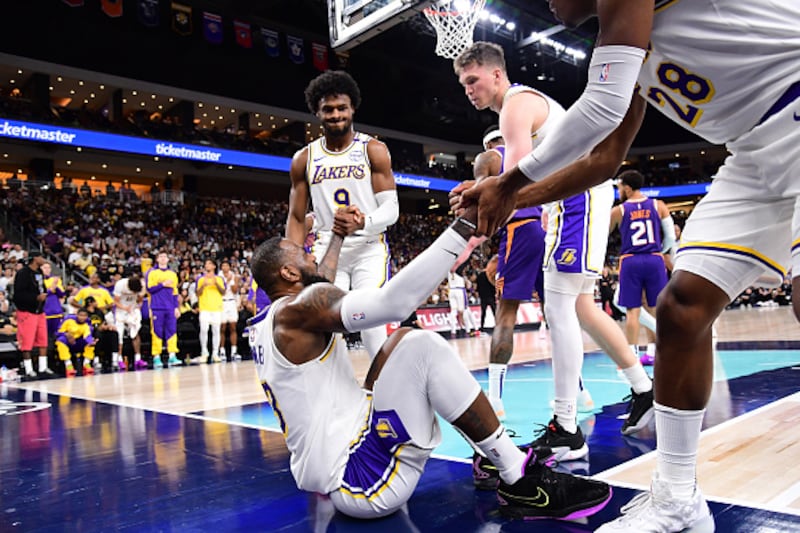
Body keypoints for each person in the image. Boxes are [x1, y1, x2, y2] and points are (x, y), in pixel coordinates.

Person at [456, 2, 800, 531]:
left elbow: (596, 109)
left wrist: (509, 183)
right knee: (682, 309)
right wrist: (511, 196)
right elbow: (602, 159)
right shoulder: (625, 43)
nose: (547, 3)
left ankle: (579, 421)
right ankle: (678, 499)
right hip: (753, 152)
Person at [248, 204, 612, 522]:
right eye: (301, 252)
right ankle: (518, 477)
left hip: (342, 459)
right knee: (422, 345)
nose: (311, 251)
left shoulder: (271, 322)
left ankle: (492, 459)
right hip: (362, 481)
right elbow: (394, 303)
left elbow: (320, 281)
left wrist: (339, 237)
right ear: (289, 274)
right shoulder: (299, 310)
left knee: (399, 342)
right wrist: (464, 227)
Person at [455, 45, 652, 447]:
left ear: (496, 75)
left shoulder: (515, 105)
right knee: (580, 307)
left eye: (473, 80)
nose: (468, 91)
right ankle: (643, 388)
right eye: (463, 84)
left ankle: (565, 425)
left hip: (576, 198)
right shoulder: (523, 103)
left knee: (560, 308)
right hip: (576, 198)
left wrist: (480, 192)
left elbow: (518, 177)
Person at [454, 47, 548, 420]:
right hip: (549, 223)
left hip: (520, 230)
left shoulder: (489, 159)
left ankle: (495, 398)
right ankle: (576, 394)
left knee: (505, 316)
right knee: (561, 315)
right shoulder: (532, 124)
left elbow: (485, 205)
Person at [285, 70, 399, 360]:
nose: (336, 115)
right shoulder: (304, 158)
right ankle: (337, 390)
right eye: (328, 109)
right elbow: (297, 218)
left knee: (371, 316)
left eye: (341, 108)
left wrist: (364, 221)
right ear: (317, 112)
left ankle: (382, 384)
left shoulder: (373, 149)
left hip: (367, 248)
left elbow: (391, 209)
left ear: (353, 109)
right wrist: (294, 258)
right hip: (327, 248)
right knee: (325, 318)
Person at [609, 170, 674, 362]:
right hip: (654, 258)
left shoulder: (619, 210)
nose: (619, 191)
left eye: (620, 187)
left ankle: (631, 357)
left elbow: (602, 237)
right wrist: (660, 250)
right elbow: (670, 236)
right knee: (654, 307)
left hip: (631, 260)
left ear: (627, 188)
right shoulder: (658, 205)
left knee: (632, 310)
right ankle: (655, 353)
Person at [12, 251, 54, 378]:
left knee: (43, 340)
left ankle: (43, 367)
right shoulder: (23, 273)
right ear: (35, 259)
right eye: (41, 257)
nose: (43, 259)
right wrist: (35, 298)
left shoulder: (39, 272)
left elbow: (41, 288)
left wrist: (44, 296)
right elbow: (18, 295)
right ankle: (28, 368)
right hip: (27, 312)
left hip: (40, 311)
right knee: (26, 342)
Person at [145, 250, 180, 370]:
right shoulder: (152, 273)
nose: (163, 258)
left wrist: (176, 307)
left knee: (172, 331)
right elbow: (150, 289)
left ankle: (172, 355)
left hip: (170, 307)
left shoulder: (172, 274)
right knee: (156, 331)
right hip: (157, 307)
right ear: (157, 259)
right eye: (161, 256)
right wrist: (163, 284)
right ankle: (156, 356)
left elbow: (175, 292)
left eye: (165, 256)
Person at [194, 259, 225, 364]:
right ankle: (204, 352)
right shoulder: (200, 279)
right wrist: (203, 285)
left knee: (216, 331)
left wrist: (217, 284)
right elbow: (197, 293)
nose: (207, 265)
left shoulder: (219, 278)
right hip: (204, 308)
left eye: (209, 263)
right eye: (206, 263)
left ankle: (215, 353)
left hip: (216, 307)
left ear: (214, 266)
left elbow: (223, 292)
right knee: (204, 330)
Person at [113, 274, 144, 371]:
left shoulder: (140, 285)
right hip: (121, 309)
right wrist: (125, 308)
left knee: (135, 333)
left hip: (132, 309)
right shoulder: (120, 284)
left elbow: (140, 300)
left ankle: (138, 358)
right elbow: (116, 301)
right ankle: (119, 359)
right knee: (119, 335)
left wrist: (139, 305)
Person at [55, 306, 95, 377]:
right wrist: (66, 334)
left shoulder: (87, 323)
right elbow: (58, 332)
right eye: (81, 315)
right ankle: (68, 365)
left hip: (78, 342)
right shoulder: (68, 319)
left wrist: (91, 342)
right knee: (60, 341)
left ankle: (86, 364)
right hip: (67, 341)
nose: (82, 318)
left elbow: (87, 335)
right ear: (77, 315)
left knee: (90, 343)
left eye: (84, 316)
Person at [219, 260, 241, 362]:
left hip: (231, 302)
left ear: (229, 267)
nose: (225, 267)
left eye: (226, 265)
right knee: (222, 328)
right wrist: (226, 282)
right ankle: (222, 351)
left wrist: (231, 281)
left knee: (233, 327)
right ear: (221, 267)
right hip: (221, 302)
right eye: (223, 265)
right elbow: (220, 291)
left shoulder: (235, 276)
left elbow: (235, 291)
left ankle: (234, 351)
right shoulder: (218, 277)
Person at [446, 267, 477, 337]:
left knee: (453, 312)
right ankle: (467, 330)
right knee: (464, 310)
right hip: (460, 290)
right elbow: (469, 286)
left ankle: (453, 331)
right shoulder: (460, 272)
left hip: (451, 290)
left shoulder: (448, 270)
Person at [476, 254, 497, 330]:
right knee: (495, 311)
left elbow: (477, 287)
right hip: (490, 296)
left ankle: (482, 326)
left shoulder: (479, 276)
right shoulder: (490, 275)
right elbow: (493, 285)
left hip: (483, 297)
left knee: (483, 312)